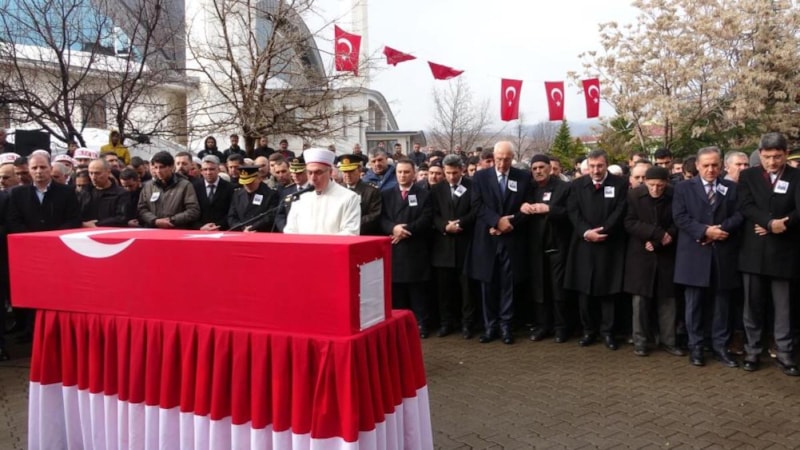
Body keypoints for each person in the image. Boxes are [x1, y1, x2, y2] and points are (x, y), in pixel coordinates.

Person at [737, 132, 800, 376]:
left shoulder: (796, 176)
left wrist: (783, 224)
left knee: (784, 308)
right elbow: (746, 205)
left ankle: (785, 353)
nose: (772, 162)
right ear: (760, 154)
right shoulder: (748, 176)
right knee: (752, 306)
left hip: (784, 252)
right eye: (767, 157)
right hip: (753, 253)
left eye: (777, 156)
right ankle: (752, 351)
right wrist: (769, 222)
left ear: (786, 154)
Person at [673, 147, 742, 368]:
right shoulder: (683, 188)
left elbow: (740, 214)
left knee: (722, 304)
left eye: (714, 165)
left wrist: (721, 230)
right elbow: (679, 217)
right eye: (706, 165)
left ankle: (720, 346)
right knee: (694, 304)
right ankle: (695, 347)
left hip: (722, 253)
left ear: (721, 165)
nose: (710, 169)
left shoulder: (731, 188)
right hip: (694, 253)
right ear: (697, 166)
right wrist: (705, 231)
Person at [7, 153, 80, 343]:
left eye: (43, 167)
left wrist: (51, 240)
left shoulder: (66, 192)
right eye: (34, 168)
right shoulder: (18, 193)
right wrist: (33, 240)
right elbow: (14, 221)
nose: (39, 171)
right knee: (33, 293)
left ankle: (59, 331)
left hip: (59, 252)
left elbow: (73, 219)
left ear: (50, 168)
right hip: (29, 254)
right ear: (29, 170)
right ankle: (32, 331)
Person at [466, 141, 532, 345]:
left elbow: (526, 208)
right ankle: (490, 326)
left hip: (512, 238)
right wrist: (496, 222)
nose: (502, 164)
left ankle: (506, 326)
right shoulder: (480, 177)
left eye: (507, 160)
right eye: (499, 159)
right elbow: (477, 205)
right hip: (487, 239)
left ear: (513, 158)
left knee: (508, 285)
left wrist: (508, 224)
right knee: (488, 285)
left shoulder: (523, 177)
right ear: (493, 158)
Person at [565, 149, 628, 350]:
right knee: (585, 291)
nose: (596, 170)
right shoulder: (577, 185)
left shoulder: (620, 184)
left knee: (608, 291)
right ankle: (588, 331)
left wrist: (604, 230)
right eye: (592, 166)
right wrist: (586, 232)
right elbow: (573, 212)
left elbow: (620, 210)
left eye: (599, 166)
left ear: (606, 165)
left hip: (610, 245)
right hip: (584, 245)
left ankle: (608, 332)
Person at [623, 166, 682, 357]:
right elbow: (629, 222)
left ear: (666, 183)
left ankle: (669, 340)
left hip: (666, 252)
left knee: (668, 300)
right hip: (641, 253)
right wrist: (654, 234)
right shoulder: (634, 195)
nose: (655, 189)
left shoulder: (674, 195)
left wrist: (664, 238)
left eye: (660, 186)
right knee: (640, 301)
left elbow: (678, 221)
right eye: (652, 185)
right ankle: (640, 341)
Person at [521, 154, 572, 343]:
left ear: (550, 168)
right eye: (534, 168)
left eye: (541, 167)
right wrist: (523, 206)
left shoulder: (564, 187)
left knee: (558, 290)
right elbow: (519, 207)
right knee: (539, 289)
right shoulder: (529, 188)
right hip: (536, 247)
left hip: (557, 246)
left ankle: (561, 327)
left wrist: (549, 209)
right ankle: (543, 325)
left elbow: (570, 213)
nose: (538, 171)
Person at [380, 159, 433, 337]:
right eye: (400, 172)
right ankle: (398, 327)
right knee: (397, 292)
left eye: (406, 172)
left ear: (414, 173)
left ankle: (421, 324)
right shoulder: (386, 194)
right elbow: (382, 218)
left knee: (418, 292)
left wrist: (405, 230)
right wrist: (392, 228)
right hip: (395, 250)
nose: (403, 175)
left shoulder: (424, 194)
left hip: (415, 249)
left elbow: (426, 218)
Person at [430, 155, 477, 339]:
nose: (451, 177)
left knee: (467, 289)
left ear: (462, 170)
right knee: (444, 290)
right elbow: (432, 214)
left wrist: (460, 223)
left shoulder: (472, 186)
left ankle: (468, 324)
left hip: (465, 245)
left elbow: (475, 210)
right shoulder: (436, 189)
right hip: (443, 247)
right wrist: (444, 226)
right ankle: (446, 323)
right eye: (448, 173)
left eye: (455, 173)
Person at [284, 148, 361, 235]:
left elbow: (351, 232)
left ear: (330, 172)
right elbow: (290, 230)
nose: (313, 178)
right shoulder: (300, 197)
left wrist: (318, 243)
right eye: (310, 173)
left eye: (318, 172)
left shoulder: (349, 197)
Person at [137, 151, 200, 229]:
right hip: (153, 230)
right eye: (156, 167)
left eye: (162, 167)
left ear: (171, 167)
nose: (158, 171)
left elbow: (193, 211)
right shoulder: (148, 186)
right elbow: (142, 209)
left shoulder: (185, 185)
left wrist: (171, 220)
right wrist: (155, 221)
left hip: (176, 230)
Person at [78, 158, 129, 227]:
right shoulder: (85, 192)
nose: (93, 177)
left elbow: (121, 218)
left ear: (108, 172)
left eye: (97, 173)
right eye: (91, 173)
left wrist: (97, 224)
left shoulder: (121, 194)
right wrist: (83, 224)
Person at [338, 155, 381, 235]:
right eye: (344, 171)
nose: (347, 175)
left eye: (351, 171)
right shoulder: (337, 190)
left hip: (363, 234)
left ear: (359, 170)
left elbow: (374, 216)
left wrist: (351, 225)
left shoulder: (371, 191)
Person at [227, 166, 280, 232]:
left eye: (250, 182)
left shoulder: (270, 194)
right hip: (241, 232)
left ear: (259, 178)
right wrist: (242, 228)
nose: (247, 185)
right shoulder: (237, 194)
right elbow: (231, 216)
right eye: (244, 183)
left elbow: (270, 216)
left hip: (261, 232)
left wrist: (252, 227)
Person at [193, 155, 235, 231]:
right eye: (205, 169)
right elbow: (192, 211)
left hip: (222, 230)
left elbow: (232, 211)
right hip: (200, 230)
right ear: (201, 171)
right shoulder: (194, 187)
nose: (208, 172)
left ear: (218, 170)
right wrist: (200, 227)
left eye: (211, 169)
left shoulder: (229, 188)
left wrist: (218, 226)